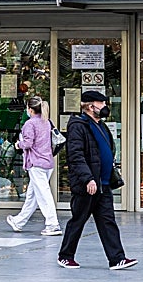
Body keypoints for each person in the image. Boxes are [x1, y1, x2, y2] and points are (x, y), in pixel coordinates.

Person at [57, 90, 138, 270]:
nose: (104, 107)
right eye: (101, 104)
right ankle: (65, 256)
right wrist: (88, 179)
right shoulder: (78, 126)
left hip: (103, 184)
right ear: (90, 106)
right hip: (88, 185)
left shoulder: (101, 125)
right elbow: (76, 156)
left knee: (107, 220)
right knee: (78, 220)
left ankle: (117, 258)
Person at [6, 96, 62, 236]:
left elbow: (28, 143)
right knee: (32, 195)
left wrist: (18, 144)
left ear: (30, 110)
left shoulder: (30, 124)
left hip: (36, 163)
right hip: (47, 162)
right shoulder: (47, 122)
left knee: (43, 194)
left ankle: (52, 224)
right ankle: (19, 221)